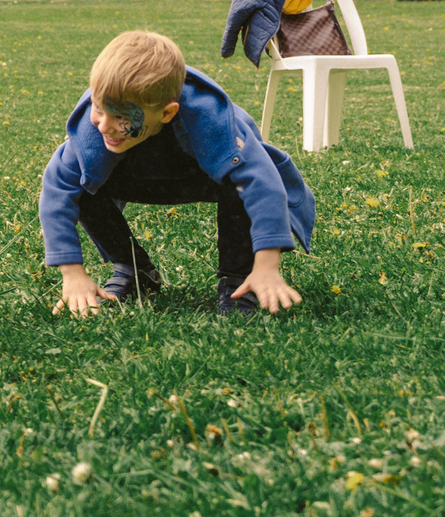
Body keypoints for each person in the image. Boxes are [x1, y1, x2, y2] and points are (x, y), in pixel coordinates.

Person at [42, 30, 314, 316]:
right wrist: (73, 274)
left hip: (205, 176)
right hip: (137, 177)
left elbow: (263, 183)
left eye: (122, 117)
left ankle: (239, 278)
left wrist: (266, 267)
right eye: (98, 107)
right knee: (81, 184)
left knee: (241, 184)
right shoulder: (92, 131)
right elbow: (57, 189)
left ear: (167, 113)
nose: (103, 125)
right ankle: (134, 270)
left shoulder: (211, 119)